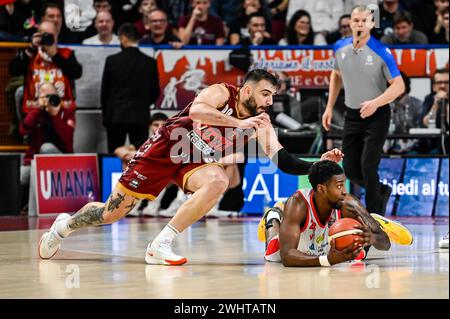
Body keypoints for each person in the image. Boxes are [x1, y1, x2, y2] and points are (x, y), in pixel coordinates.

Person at [38, 68, 344, 265]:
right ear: (248, 91)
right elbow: (198, 109)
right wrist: (239, 122)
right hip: (165, 149)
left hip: (195, 161)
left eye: (272, 97)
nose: (268, 102)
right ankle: (64, 225)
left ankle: (161, 244)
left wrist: (320, 163)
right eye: (265, 94)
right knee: (111, 213)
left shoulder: (260, 124)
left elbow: (284, 162)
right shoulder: (223, 91)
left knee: (218, 181)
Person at [322, 5, 405, 216]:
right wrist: (329, 107)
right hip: (352, 115)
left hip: (376, 116)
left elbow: (399, 85)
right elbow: (336, 75)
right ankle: (380, 190)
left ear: (372, 24)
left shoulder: (381, 51)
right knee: (349, 168)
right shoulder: (340, 48)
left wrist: (376, 102)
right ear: (350, 23)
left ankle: (374, 217)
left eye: (364, 20)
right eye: (355, 20)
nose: (359, 24)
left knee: (368, 165)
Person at [258, 160, 413, 266]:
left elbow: (385, 243)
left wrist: (372, 238)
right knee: (272, 251)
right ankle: (274, 216)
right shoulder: (298, 203)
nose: (345, 191)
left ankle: (374, 220)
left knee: (358, 253)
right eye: (339, 186)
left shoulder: (349, 203)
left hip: (329, 247)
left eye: (344, 184)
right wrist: (327, 260)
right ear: (321, 188)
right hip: (301, 247)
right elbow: (287, 257)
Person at [101, 23, 160, 154]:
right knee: (139, 156)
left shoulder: (112, 60)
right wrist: (142, 104)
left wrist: (106, 116)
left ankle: (114, 175)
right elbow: (155, 92)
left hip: (115, 117)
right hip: (140, 116)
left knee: (114, 155)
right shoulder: (150, 62)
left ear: (123, 38)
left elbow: (105, 92)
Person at [19, 82, 75, 212]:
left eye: (52, 96)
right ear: (38, 98)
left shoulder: (67, 113)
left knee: (46, 148)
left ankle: (34, 207)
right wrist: (37, 110)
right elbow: (23, 131)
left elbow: (67, 138)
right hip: (36, 164)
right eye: (44, 96)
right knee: (20, 175)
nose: (49, 99)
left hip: (62, 162)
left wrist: (55, 115)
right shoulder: (35, 113)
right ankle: (26, 206)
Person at [9, 20, 82, 114]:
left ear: (57, 35)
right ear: (38, 36)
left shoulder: (66, 53)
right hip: (34, 110)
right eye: (45, 35)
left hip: (61, 110)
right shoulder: (31, 53)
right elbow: (14, 70)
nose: (48, 38)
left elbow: (76, 73)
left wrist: (55, 55)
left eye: (52, 35)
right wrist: (31, 48)